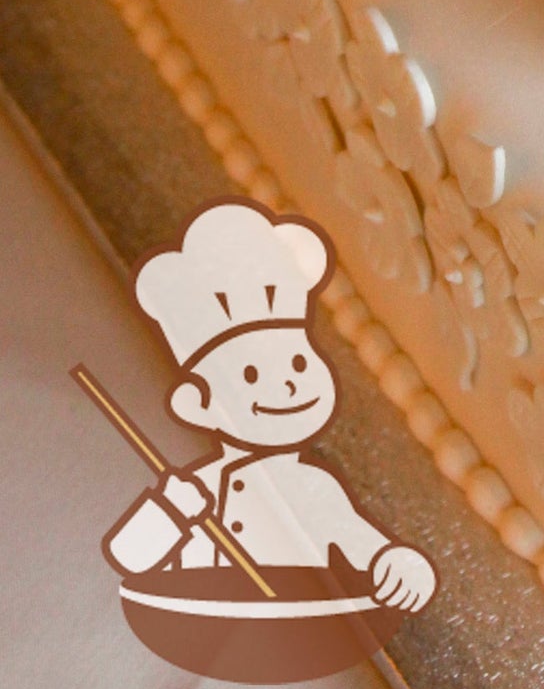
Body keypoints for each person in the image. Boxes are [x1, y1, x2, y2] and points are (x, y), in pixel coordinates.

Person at [102, 198, 437, 611]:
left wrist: (402, 566)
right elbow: (129, 557)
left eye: (299, 363)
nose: (288, 385)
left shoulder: (315, 487)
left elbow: (368, 548)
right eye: (250, 375)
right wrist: (171, 509)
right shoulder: (199, 488)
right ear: (197, 404)